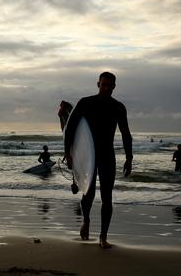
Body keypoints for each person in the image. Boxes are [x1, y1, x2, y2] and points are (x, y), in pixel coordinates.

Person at [63, 71, 133, 249]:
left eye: (110, 85)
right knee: (89, 192)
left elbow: (126, 134)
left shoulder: (118, 107)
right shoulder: (86, 103)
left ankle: (103, 236)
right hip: (88, 155)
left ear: (114, 86)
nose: (107, 88)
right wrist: (68, 153)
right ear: (98, 84)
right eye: (104, 84)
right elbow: (70, 128)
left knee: (107, 197)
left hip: (107, 154)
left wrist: (129, 157)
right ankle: (86, 220)